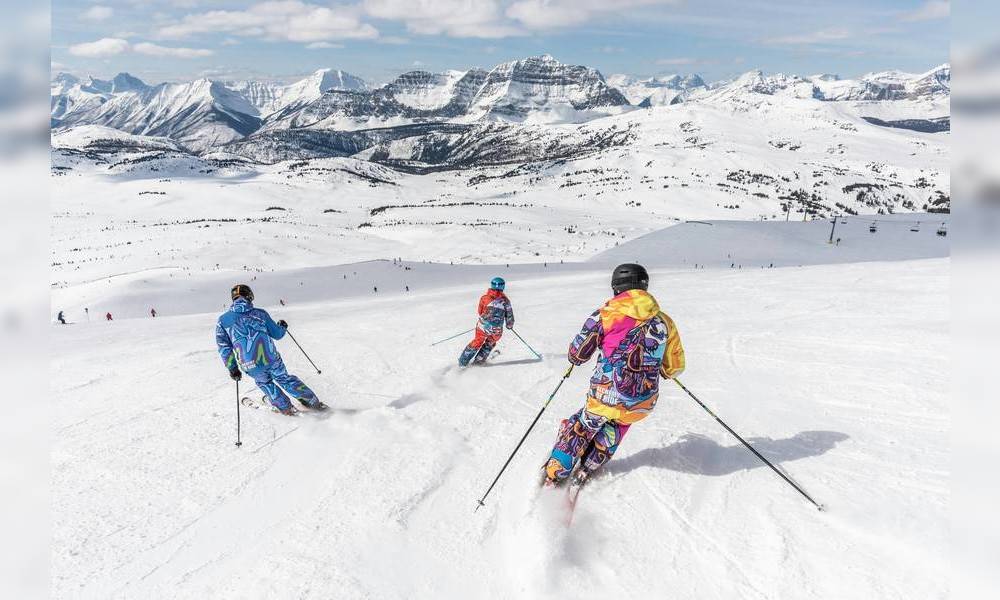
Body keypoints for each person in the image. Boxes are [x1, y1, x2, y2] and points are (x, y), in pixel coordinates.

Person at [542, 264, 685, 488]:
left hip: (605, 395)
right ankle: (589, 466)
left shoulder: (606, 315)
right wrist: (663, 369)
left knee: (584, 424)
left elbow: (578, 353)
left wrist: (574, 360)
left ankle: (557, 469)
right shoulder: (664, 321)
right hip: (642, 401)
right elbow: (674, 366)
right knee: (617, 425)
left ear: (616, 288)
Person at [215, 284, 326, 415]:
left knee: (265, 383)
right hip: (271, 358)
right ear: (250, 296)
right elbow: (277, 334)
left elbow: (224, 347)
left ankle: (285, 407)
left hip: (249, 364)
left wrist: (232, 368)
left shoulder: (222, 320)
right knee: (284, 378)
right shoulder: (260, 314)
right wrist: (282, 326)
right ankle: (312, 402)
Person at [458, 277, 514, 367]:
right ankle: (479, 361)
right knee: (490, 342)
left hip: (483, 325)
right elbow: (509, 315)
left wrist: (486, 319)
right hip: (496, 329)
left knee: (478, 341)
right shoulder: (506, 301)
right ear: (503, 287)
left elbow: (480, 311)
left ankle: (463, 361)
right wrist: (509, 325)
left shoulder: (484, 298)